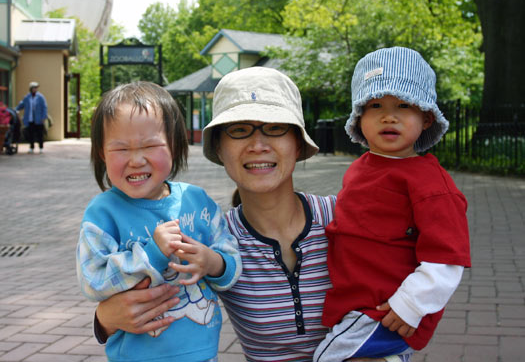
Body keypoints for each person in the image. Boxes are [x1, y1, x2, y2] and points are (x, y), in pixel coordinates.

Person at [93, 67, 339, 361]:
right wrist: (104, 320)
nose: (258, 145)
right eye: (239, 130)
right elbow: (152, 296)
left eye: (274, 126)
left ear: (298, 142)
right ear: (219, 148)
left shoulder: (342, 216)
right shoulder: (211, 236)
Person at [314, 47, 471, 362]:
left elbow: (447, 259)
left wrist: (410, 304)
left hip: (386, 309)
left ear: (426, 118)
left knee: (327, 357)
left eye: (403, 105)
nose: (389, 115)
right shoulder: (361, 167)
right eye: (375, 105)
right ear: (360, 118)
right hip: (355, 301)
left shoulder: (430, 184)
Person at [76, 81, 242, 362]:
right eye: (121, 149)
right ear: (102, 153)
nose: (136, 160)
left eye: (150, 145)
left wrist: (213, 262)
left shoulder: (196, 201)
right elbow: (93, 279)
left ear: (174, 147)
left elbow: (232, 256)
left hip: (202, 353)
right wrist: (151, 254)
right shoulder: (103, 213)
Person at [16, 81, 47, 154]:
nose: (35, 89)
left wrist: (43, 117)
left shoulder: (40, 97)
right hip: (30, 119)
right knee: (30, 134)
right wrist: (15, 110)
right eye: (34, 88)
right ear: (31, 88)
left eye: (36, 88)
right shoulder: (27, 97)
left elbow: (44, 107)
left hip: (39, 119)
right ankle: (31, 147)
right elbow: (21, 105)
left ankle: (41, 147)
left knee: (40, 134)